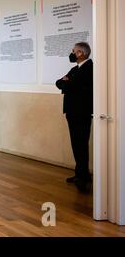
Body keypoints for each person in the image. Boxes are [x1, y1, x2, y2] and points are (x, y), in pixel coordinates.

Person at [56, 42, 93, 193]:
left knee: (81, 145)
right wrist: (66, 83)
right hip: (73, 112)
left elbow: (71, 86)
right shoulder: (75, 69)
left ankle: (83, 178)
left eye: (74, 51)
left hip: (81, 112)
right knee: (77, 145)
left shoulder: (89, 68)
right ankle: (81, 173)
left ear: (81, 54)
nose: (71, 53)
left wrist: (67, 83)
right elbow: (58, 83)